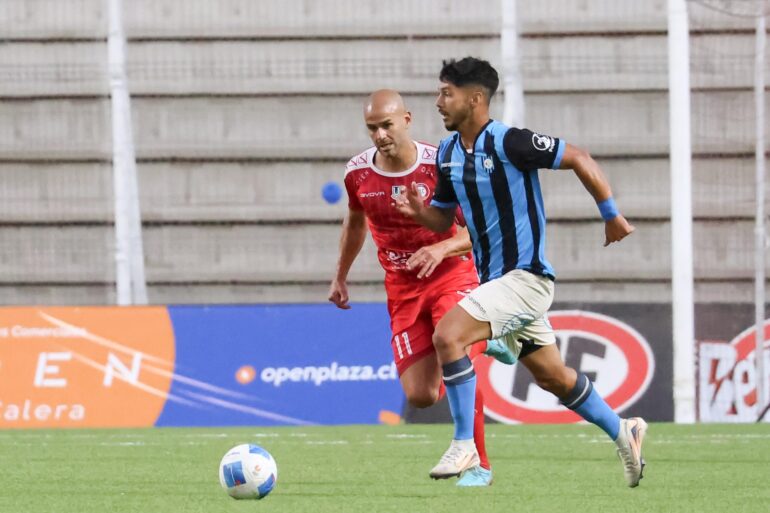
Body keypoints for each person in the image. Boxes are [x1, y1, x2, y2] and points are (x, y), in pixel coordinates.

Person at [393, 57, 648, 488]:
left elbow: (580, 157)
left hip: (527, 278)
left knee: (448, 335)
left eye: (446, 93)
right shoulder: (450, 154)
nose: (438, 101)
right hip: (496, 284)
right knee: (554, 378)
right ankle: (624, 431)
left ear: (475, 99)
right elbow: (444, 221)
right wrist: (421, 212)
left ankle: (464, 444)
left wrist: (611, 214)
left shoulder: (512, 142)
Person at [329, 89, 515, 487]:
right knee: (421, 394)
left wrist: (441, 247)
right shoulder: (357, 173)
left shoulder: (442, 165)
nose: (379, 135)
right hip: (402, 288)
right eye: (372, 128)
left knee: (455, 348)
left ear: (408, 119)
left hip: (452, 274)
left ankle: (479, 464)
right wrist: (340, 274)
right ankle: (490, 335)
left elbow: (481, 230)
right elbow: (356, 222)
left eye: (387, 125)